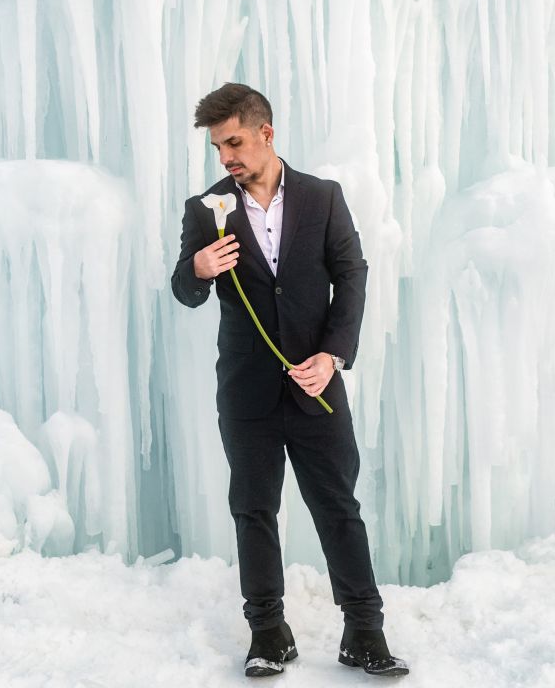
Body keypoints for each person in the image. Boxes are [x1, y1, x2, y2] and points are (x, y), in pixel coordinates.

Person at [171, 83, 408, 679]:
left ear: (265, 134)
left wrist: (332, 355)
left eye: (234, 142)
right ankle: (269, 633)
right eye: (218, 147)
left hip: (316, 385)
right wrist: (198, 268)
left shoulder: (323, 198)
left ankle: (364, 631)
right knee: (253, 510)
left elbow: (351, 274)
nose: (225, 157)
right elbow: (184, 287)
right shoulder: (206, 208)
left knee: (338, 507)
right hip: (246, 391)